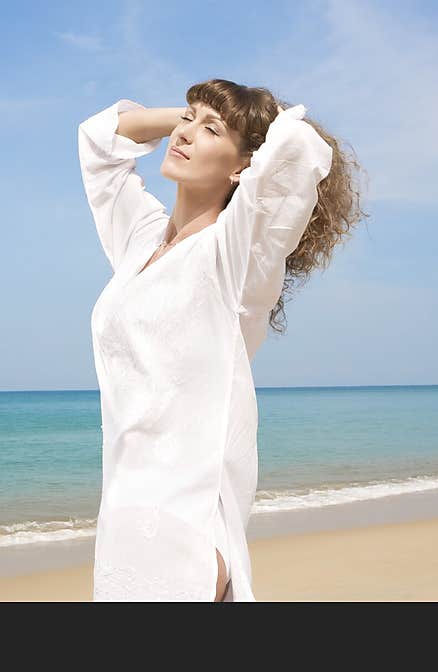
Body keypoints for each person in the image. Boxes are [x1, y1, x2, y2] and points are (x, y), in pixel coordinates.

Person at [78, 78, 366, 601]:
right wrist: (193, 119)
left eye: (210, 131)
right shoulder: (140, 241)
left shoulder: (235, 257)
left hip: (184, 525)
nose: (185, 134)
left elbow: (298, 147)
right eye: (186, 120)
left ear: (243, 167)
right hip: (122, 513)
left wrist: (247, 121)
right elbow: (99, 139)